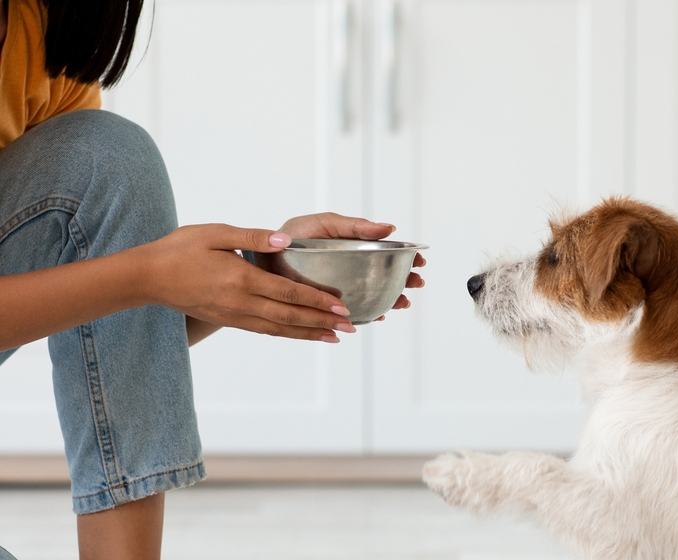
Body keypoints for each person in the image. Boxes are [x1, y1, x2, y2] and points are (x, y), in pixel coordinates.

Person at [0, 0, 425, 558]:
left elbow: (108, 340)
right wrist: (148, 274)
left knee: (110, 160)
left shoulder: (40, 31)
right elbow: (130, 286)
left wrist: (255, 276)